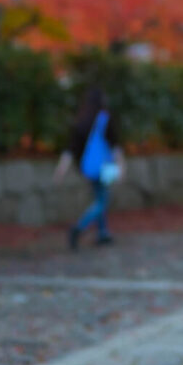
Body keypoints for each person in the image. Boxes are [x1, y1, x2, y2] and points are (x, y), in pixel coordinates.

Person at [53, 87, 122, 250]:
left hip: (88, 168)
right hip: (106, 166)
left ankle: (103, 233)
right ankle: (79, 227)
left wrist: (61, 170)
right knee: (102, 201)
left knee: (99, 197)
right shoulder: (105, 118)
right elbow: (115, 145)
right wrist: (121, 166)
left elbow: (71, 149)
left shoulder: (80, 121)